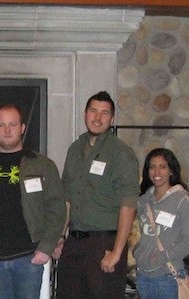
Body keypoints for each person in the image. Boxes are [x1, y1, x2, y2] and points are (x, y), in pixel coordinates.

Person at [0, 104, 66, 298]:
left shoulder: (43, 165)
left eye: (12, 124)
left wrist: (46, 247)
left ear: (22, 128)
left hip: (29, 258)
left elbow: (57, 209)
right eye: (1, 125)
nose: (6, 130)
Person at [57, 91, 140, 298]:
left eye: (104, 113)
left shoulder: (121, 152)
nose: (97, 118)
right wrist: (60, 237)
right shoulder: (74, 150)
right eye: (93, 111)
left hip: (104, 244)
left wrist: (117, 252)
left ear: (111, 119)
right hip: (74, 243)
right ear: (85, 114)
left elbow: (128, 205)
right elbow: (67, 198)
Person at [134, 148, 189, 298]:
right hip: (143, 276)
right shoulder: (143, 201)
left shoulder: (182, 201)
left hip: (168, 276)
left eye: (162, 167)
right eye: (152, 167)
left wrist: (164, 256)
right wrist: (138, 252)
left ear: (171, 171)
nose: (157, 172)